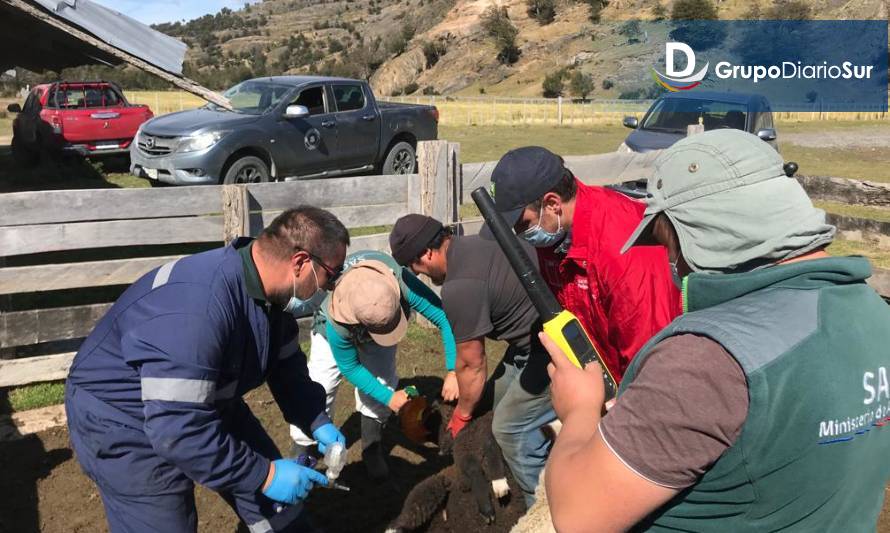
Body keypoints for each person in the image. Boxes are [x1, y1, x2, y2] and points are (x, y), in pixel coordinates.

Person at [543, 129, 890, 531]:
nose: (673, 262)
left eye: (665, 240)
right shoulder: (871, 311)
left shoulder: (706, 358)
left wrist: (579, 410)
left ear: (694, 229)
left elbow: (577, 519)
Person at [65, 206, 349, 533]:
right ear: (300, 263)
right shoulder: (199, 311)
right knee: (166, 523)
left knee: (281, 511)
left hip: (205, 400)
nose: (329, 288)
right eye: (331, 274)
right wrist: (265, 475)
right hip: (124, 418)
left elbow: (287, 369)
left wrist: (316, 420)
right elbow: (177, 430)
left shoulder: (270, 297)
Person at [389, 214, 553, 506]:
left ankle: (544, 507)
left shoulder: (459, 287)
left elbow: (472, 365)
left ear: (426, 254)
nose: (422, 275)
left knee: (509, 428)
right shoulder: (480, 241)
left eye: (416, 267)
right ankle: (507, 472)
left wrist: (461, 416)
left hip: (551, 350)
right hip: (533, 339)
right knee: (488, 403)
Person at [491, 146, 681, 385]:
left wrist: (625, 404)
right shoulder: (555, 234)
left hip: (644, 386)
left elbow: (649, 349)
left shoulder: (620, 247)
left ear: (552, 203)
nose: (519, 232)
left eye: (522, 223)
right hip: (600, 378)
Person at [289, 249, 457, 481]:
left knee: (382, 380)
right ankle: (303, 449)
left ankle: (372, 447)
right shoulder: (335, 320)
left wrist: (453, 369)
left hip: (379, 326)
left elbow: (444, 317)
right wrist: (390, 398)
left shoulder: (399, 281)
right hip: (333, 335)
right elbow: (350, 368)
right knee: (319, 387)